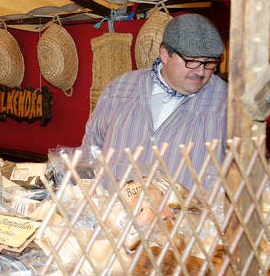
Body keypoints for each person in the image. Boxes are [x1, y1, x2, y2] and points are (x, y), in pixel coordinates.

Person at [81, 13, 227, 189]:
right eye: (192, 62)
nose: (201, 72)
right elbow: (90, 148)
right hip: (112, 211)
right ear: (165, 54)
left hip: (186, 215)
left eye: (209, 63)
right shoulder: (121, 88)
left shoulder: (226, 103)